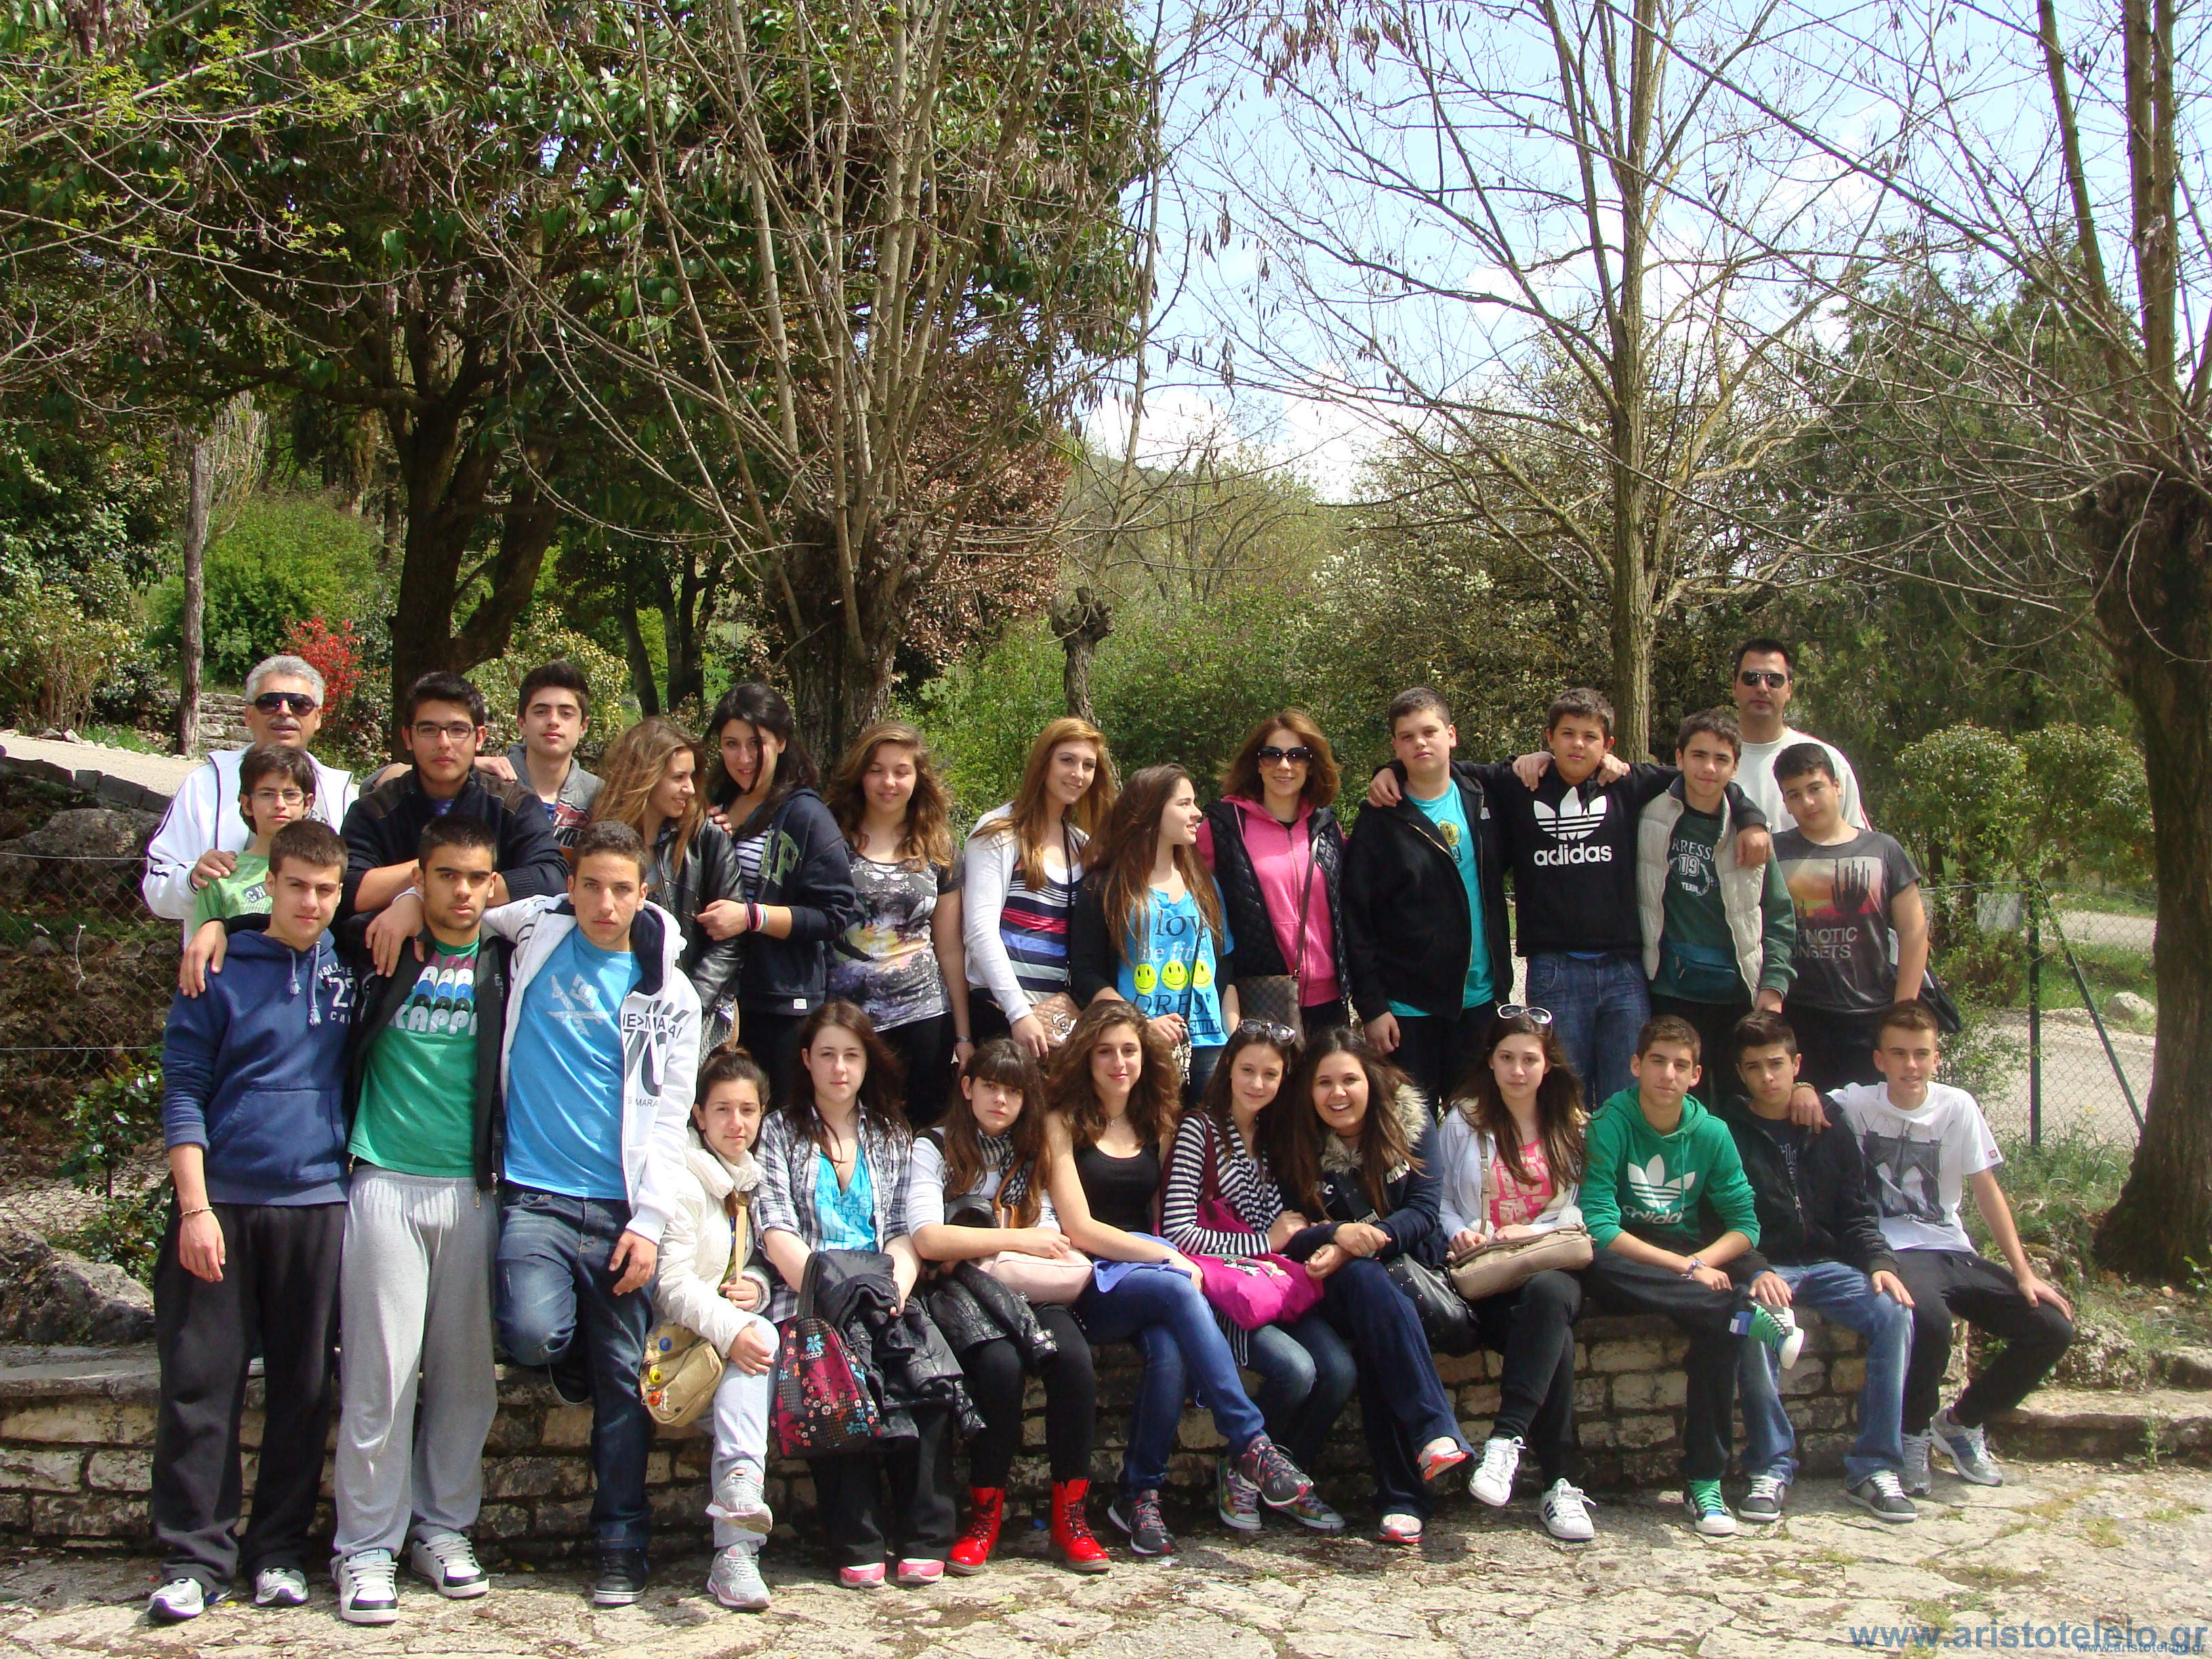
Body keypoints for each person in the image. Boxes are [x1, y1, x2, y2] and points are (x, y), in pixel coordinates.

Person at [483, 819, 701, 1607]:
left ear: (645, 893)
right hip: (534, 1193)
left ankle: (620, 1545)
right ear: (569, 885)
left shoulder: (671, 993)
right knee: (531, 1333)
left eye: (621, 890)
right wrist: (407, 902)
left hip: (619, 1209)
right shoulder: (538, 930)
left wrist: (648, 1223)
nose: (605, 905)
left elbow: (671, 1118)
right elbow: (465, 906)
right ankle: (566, 1347)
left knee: (622, 1385)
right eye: (592, 887)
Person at [1369, 687, 1771, 1107]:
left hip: (1623, 969)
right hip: (1554, 968)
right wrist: (1390, 770)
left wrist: (1749, 815)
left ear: (1608, 744)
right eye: (1568, 734)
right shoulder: (1519, 782)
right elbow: (1436, 761)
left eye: (1590, 736)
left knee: (1624, 1098)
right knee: (1564, 1100)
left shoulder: (1626, 784)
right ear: (1549, 738)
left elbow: (1701, 776)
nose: (1578, 744)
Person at [146, 819, 356, 1624]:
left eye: (326, 889)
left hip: (317, 1204)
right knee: (201, 1386)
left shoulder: (355, 962)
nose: (311, 902)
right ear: (269, 885)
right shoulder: (220, 967)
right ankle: (195, 1560)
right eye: (296, 885)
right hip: (222, 1205)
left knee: (303, 1390)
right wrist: (194, 1208)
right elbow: (184, 1090)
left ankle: (277, 1552)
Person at [1040, 1000, 1313, 1559]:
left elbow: (1165, 1216)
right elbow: (1079, 1227)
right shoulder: (1061, 1122)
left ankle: (1137, 1496)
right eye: (1105, 1052)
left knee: (1170, 1352)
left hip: (1152, 1276)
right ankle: (1251, 1442)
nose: (1119, 1063)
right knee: (1174, 1286)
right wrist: (1163, 1257)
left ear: (1146, 1057)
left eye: (1130, 1051)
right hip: (1090, 1279)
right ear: (1086, 1058)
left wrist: (1166, 1256)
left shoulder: (1157, 1121)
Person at [328, 815, 508, 1622]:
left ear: (493, 883)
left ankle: (443, 1529)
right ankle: (366, 1546)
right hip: (385, 1179)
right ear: (421, 878)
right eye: (445, 876)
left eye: (476, 877)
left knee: (465, 1379)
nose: (461, 892)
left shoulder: (510, 959)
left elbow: (613, 910)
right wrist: (214, 929)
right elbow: (295, 914)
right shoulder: (380, 947)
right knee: (382, 1375)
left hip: (471, 1188)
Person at [1828, 1001, 2075, 1498]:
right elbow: (1802, 1095)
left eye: (1921, 1054)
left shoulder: (1958, 1106)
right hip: (1895, 1251)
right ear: (1879, 1060)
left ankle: (1961, 1423)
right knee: (1931, 1321)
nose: (1911, 1065)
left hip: (1951, 1248)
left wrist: (2023, 1273)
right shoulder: (1856, 1104)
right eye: (1899, 1054)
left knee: (2052, 1327)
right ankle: (1913, 1434)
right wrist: (1804, 1094)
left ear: (1937, 1058)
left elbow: (1986, 1191)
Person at [751, 1002, 954, 1589]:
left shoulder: (890, 1133)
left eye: (851, 1055)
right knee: (833, 1385)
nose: (839, 1068)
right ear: (806, 1061)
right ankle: (857, 1541)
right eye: (827, 1055)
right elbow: (776, 1229)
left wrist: (891, 1294)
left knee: (926, 1378)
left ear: (868, 1062)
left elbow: (903, 1230)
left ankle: (924, 1536)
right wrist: (832, 1296)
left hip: (885, 1290)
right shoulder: (779, 1132)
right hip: (811, 1295)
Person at [1577, 1015, 1796, 1537]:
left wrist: (1701, 1260)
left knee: (1720, 1330)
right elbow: (1599, 1223)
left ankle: (1704, 1482)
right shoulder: (1610, 1122)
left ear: (1696, 1075)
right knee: (1596, 1257)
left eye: (1680, 1065)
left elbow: (1745, 1226)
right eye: (1657, 1062)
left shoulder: (1711, 1133)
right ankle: (1745, 1313)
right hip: (1627, 1256)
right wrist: (1688, 1268)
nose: (1668, 1075)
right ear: (1636, 1065)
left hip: (1685, 1256)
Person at [907, 1040, 1111, 1574]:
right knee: (999, 1367)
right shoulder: (934, 1146)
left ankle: (1071, 1519)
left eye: (1015, 1092)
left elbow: (1054, 1238)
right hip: (964, 1294)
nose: (1001, 1100)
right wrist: (1016, 1239)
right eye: (991, 1086)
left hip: (1030, 1289)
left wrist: (995, 1243)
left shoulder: (1034, 1148)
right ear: (968, 1087)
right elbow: (928, 1237)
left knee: (1074, 1362)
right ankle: (984, 1518)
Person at [1270, 1029, 1472, 1546]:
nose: (1337, 1094)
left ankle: (1402, 1501)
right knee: (1367, 1288)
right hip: (1331, 1285)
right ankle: (1432, 1434)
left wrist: (1361, 1242)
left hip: (1408, 1275)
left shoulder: (1411, 1124)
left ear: (1372, 1080)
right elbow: (1292, 1233)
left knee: (1378, 1318)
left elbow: (1424, 1212)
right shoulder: (1297, 1139)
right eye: (1324, 1083)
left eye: (1349, 1080)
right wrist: (1335, 1236)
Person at [1722, 1010, 1918, 1526]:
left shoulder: (1829, 1125)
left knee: (1894, 1312)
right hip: (1767, 1267)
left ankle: (1875, 1468)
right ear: (1740, 1073)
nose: (1768, 1077)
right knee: (1751, 1322)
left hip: (1829, 1265)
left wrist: (1879, 1262)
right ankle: (1770, 1467)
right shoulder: (1726, 1132)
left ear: (1796, 1065)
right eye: (1754, 1067)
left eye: (1776, 1064)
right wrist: (1754, 1268)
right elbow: (1720, 1217)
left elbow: (1857, 1210)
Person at [1161, 1021, 1353, 1534]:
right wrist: (1264, 1242)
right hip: (1224, 1295)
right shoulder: (1199, 1130)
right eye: (1248, 1070)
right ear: (1228, 1068)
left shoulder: (1272, 1138)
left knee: (1339, 1370)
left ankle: (1286, 1481)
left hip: (1270, 1286)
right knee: (1296, 1369)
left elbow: (1286, 1226)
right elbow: (1178, 1232)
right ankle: (1242, 1470)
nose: (1258, 1084)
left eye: (1270, 1074)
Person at [1435, 1010, 1594, 1541]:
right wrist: (1460, 1232)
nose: (1518, 1071)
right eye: (1507, 1058)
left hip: (1549, 1260)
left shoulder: (1571, 1123)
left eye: (1530, 1059)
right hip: (1488, 1275)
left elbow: (1580, 1209)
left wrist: (1530, 1231)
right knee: (1554, 1337)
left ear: (1549, 1065)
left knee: (1550, 1295)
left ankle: (1506, 1441)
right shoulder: (1463, 1120)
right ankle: (1560, 1483)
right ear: (1491, 1061)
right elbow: (1440, 1201)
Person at [1340, 689, 1511, 1111]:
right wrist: (1373, 1007)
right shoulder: (1379, 820)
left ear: (1451, 735)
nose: (1420, 743)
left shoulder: (1482, 796)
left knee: (1471, 1127)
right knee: (1410, 1131)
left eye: (1430, 732)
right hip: (1407, 1008)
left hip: (1478, 1000)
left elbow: (1529, 771)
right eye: (1407, 737)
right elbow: (1356, 919)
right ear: (1396, 747)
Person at [653, 1047, 780, 1611]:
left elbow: (753, 1264)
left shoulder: (750, 1179)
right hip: (672, 1354)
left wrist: (758, 1285)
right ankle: (736, 1548)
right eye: (723, 1110)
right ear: (699, 1115)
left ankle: (737, 1524)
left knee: (759, 1352)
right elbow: (670, 1283)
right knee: (760, 1344)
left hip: (723, 1352)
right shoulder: (681, 1177)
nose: (737, 1124)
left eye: (748, 1111)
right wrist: (735, 1329)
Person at [339, 672, 571, 974]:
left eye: (458, 730)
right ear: (408, 737)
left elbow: (551, 876)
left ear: (480, 738)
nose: (444, 743)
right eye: (428, 730)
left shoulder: (512, 804)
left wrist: (422, 897)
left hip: (491, 971)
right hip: (394, 970)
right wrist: (429, 881)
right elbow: (347, 888)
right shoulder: (375, 809)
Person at [697, 684, 859, 1089]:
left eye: (757, 744)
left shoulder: (806, 815)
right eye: (731, 744)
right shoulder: (710, 804)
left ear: (782, 742)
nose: (743, 758)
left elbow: (833, 915)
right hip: (712, 993)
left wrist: (752, 917)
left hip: (781, 1004)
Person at [1637, 709, 1797, 1090]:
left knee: (1736, 1101)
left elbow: (1779, 915)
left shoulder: (1752, 832)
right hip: (1669, 990)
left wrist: (1773, 985)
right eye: (1699, 755)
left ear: (1735, 767)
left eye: (1722, 759)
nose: (1709, 768)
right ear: (1679, 758)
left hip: (1736, 994)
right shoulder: (1648, 817)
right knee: (1672, 1096)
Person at [142, 653, 357, 933]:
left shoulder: (342, 793)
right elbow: (156, 889)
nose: (284, 711)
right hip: (226, 957)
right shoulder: (204, 784)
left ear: (317, 717)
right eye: (269, 702)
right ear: (248, 715)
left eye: (299, 704)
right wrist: (193, 878)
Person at [825, 722, 972, 1129]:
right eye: (876, 770)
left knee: (918, 1135)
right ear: (860, 775)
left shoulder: (939, 847)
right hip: (846, 1023)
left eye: (901, 771)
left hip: (923, 1018)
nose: (888, 782)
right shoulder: (831, 838)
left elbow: (949, 947)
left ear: (917, 778)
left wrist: (963, 1035)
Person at [1069, 764, 1240, 1101]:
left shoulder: (1205, 884)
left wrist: (1236, 1041)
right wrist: (1142, 1023)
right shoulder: (1104, 888)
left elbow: (1225, 968)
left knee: (1207, 1132)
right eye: (1184, 804)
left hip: (1210, 1045)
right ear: (1151, 812)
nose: (1197, 813)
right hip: (1135, 1048)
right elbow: (1086, 974)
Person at [1773, 743, 1929, 1090]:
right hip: (1800, 1017)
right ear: (1785, 802)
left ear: (1837, 786)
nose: (1808, 802)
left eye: (1815, 788)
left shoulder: (1883, 849)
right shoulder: (1774, 852)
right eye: (1795, 794)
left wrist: (1902, 1014)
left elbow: (1914, 932)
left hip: (1870, 1015)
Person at [961, 717, 1117, 1057]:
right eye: (1067, 760)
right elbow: (979, 930)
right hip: (1000, 1013)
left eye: (1088, 765)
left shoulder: (1081, 844)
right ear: (1043, 762)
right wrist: (1018, 1013)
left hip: (1057, 1020)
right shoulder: (999, 831)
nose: (1078, 774)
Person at [1198, 711, 1352, 1038]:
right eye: (1272, 755)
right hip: (1259, 996)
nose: (1284, 765)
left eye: (1297, 756)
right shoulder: (1224, 827)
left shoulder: (1327, 829)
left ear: (1311, 765)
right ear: (1257, 764)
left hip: (1330, 1001)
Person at [589, 718, 745, 1015]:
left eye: (692, 777)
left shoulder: (705, 837)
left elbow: (729, 939)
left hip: (685, 1009)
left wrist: (688, 1006)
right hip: (610, 1004)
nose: (690, 789)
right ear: (644, 777)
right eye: (678, 777)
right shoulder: (601, 837)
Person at [1730, 638, 1868, 833]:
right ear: (1734, 686)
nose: (1762, 687)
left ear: (1789, 689)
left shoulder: (1827, 760)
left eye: (1774, 680)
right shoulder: (1711, 763)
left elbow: (1858, 843)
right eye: (1751, 678)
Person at [185, 743, 319, 930]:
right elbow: (203, 944)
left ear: (308, 803)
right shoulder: (221, 877)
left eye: (290, 794)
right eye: (267, 794)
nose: (280, 804)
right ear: (247, 804)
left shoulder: (324, 871)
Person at [488, 661, 603, 844]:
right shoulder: (490, 786)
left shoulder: (600, 796)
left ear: (583, 726)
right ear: (521, 723)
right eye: (541, 712)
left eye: (566, 714)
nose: (553, 721)